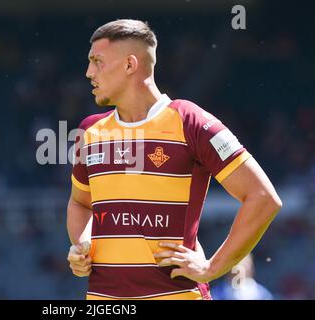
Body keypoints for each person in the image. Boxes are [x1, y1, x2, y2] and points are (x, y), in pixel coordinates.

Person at [67, 19, 282, 300]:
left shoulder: (190, 122)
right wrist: (82, 244)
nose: (88, 72)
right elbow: (80, 203)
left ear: (130, 65)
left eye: (97, 61)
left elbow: (263, 198)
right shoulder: (89, 130)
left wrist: (212, 267)